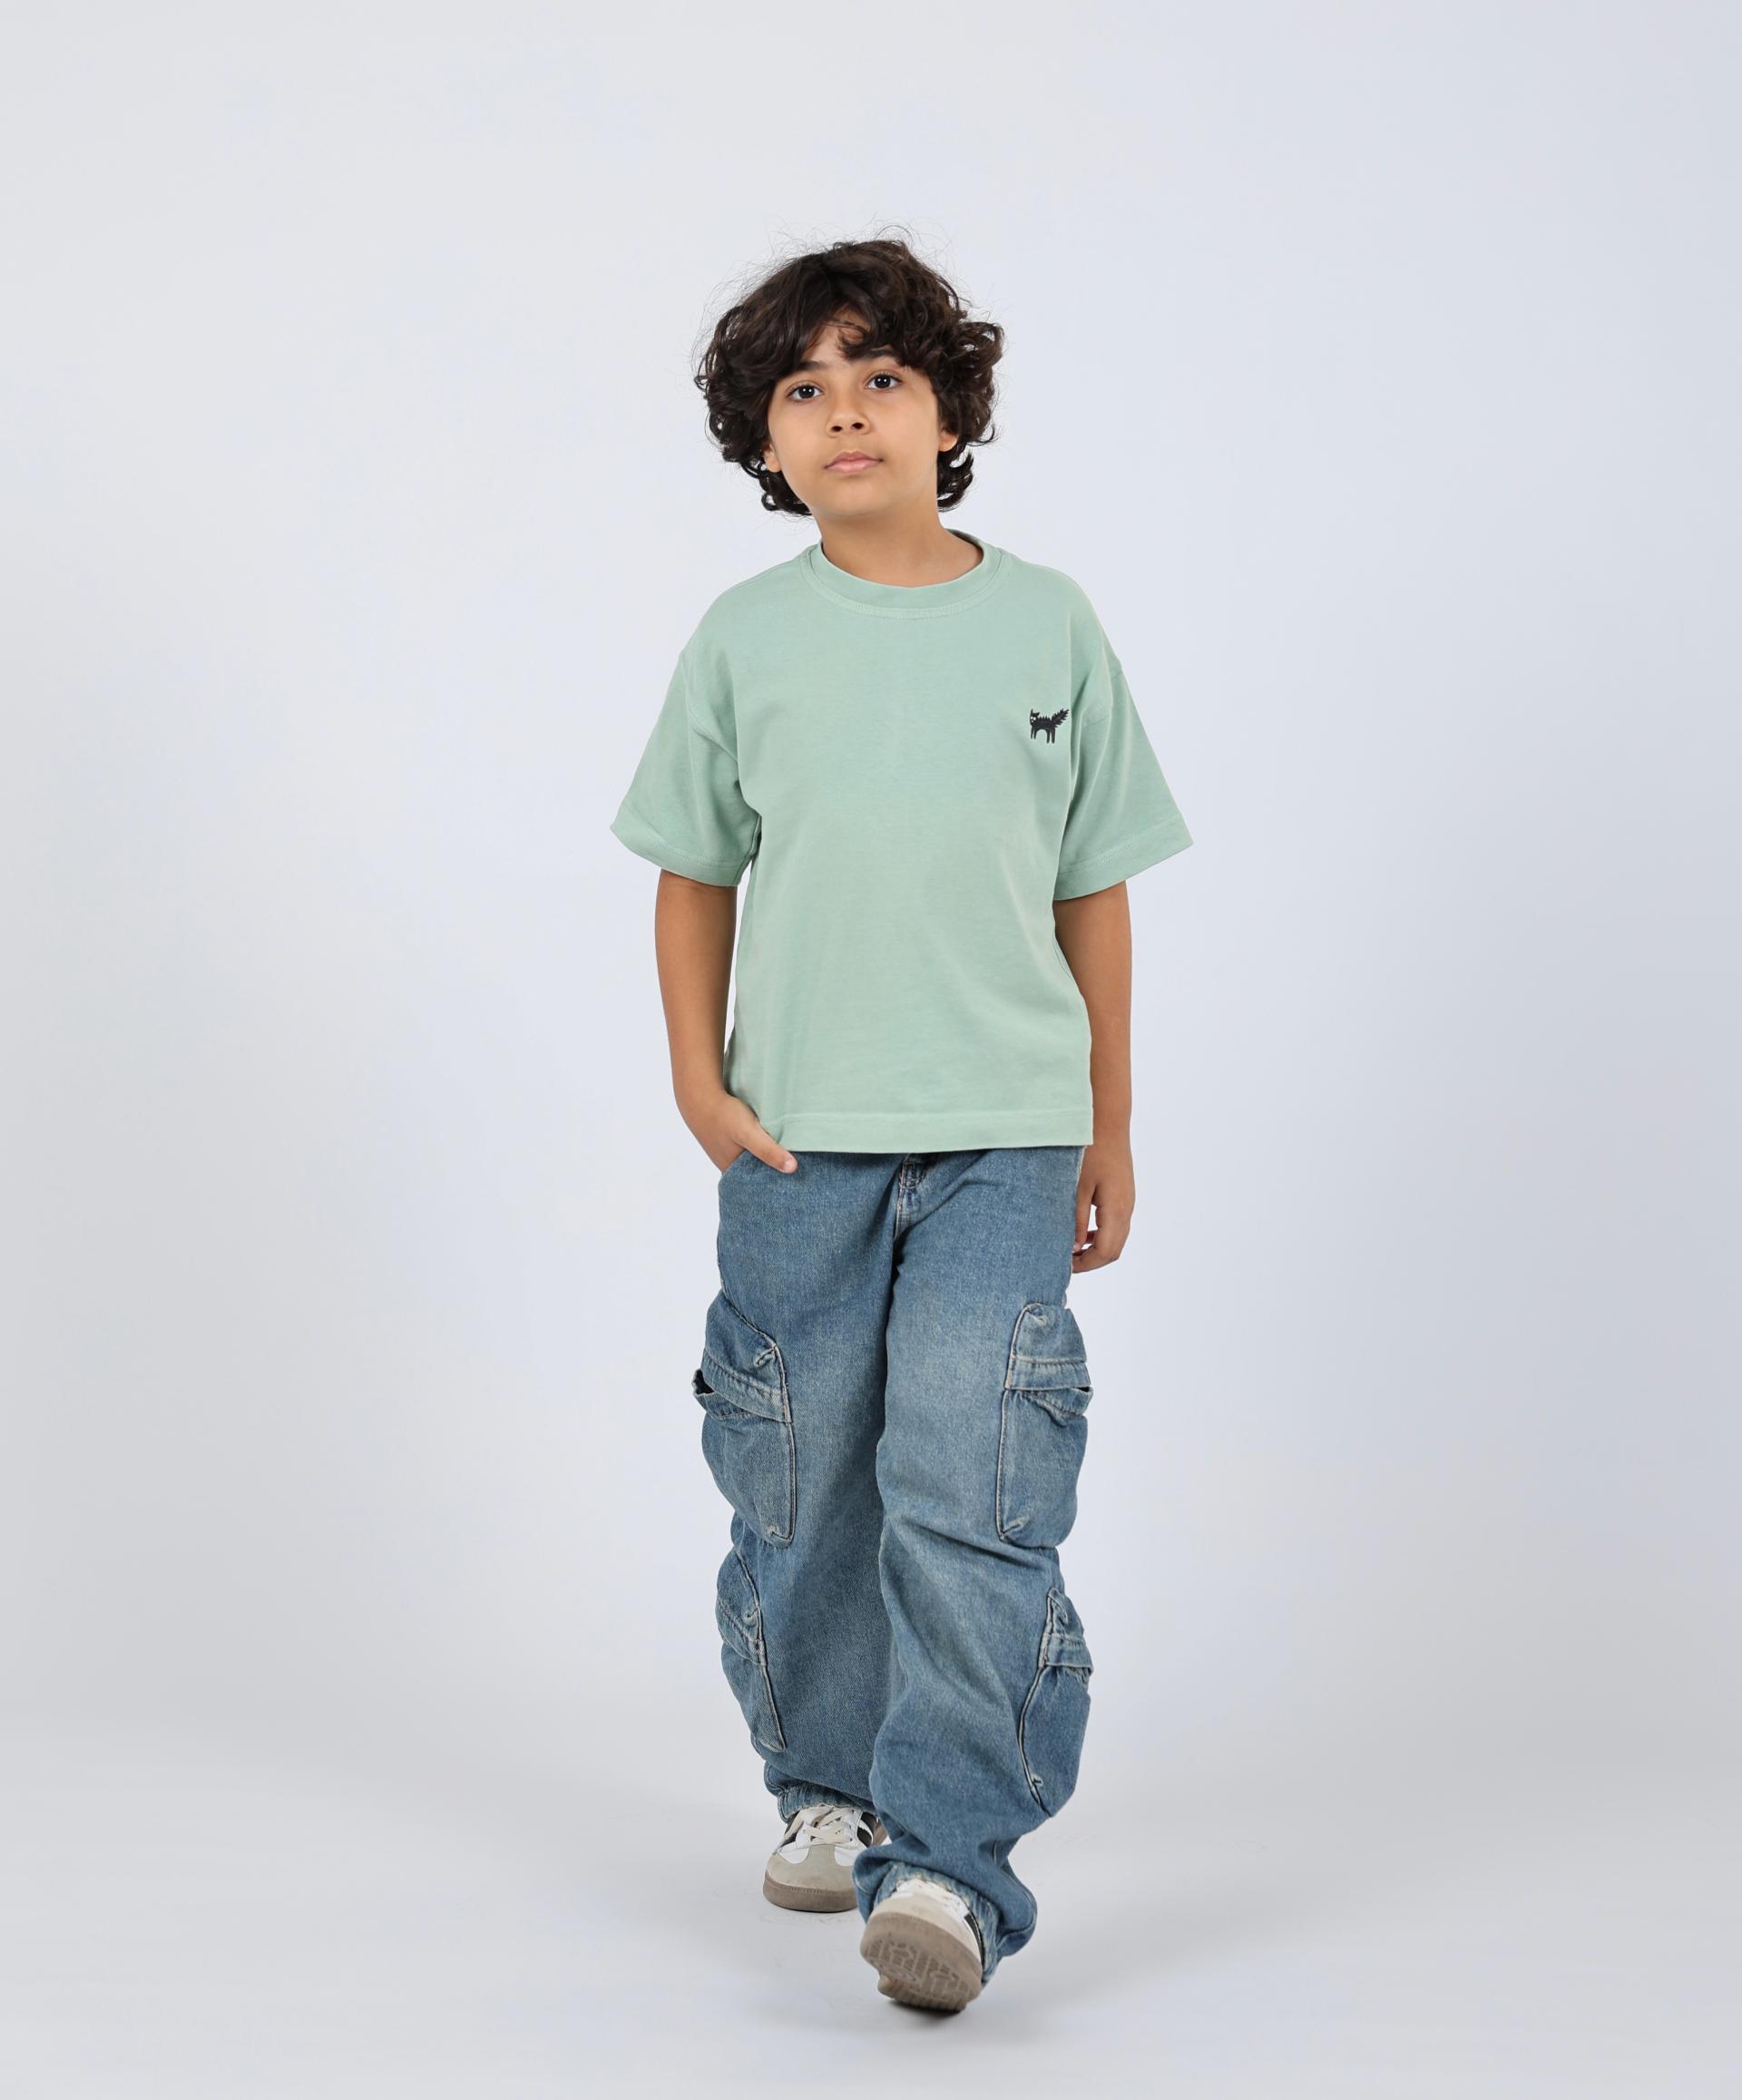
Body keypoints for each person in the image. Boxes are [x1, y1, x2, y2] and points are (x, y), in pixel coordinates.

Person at [609, 236, 1194, 2013]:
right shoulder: (747, 638)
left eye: (882, 377)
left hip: (1009, 1135)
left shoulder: (1048, 624)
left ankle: (951, 1865)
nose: (846, 411)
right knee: (800, 1480)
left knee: (973, 1468)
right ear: (765, 439)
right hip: (796, 1142)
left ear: (951, 415)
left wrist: (1108, 1118)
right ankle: (830, 1785)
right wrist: (697, 1077)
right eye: (805, 388)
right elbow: (693, 868)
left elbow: (1093, 885)